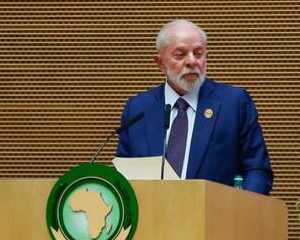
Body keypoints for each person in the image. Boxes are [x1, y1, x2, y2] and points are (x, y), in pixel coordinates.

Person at [116, 19, 274, 195]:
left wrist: (241, 212)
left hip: (217, 218)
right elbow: (124, 177)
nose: (192, 61)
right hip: (153, 217)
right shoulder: (138, 109)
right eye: (180, 54)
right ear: (160, 63)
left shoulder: (234, 104)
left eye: (198, 53)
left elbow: (258, 171)